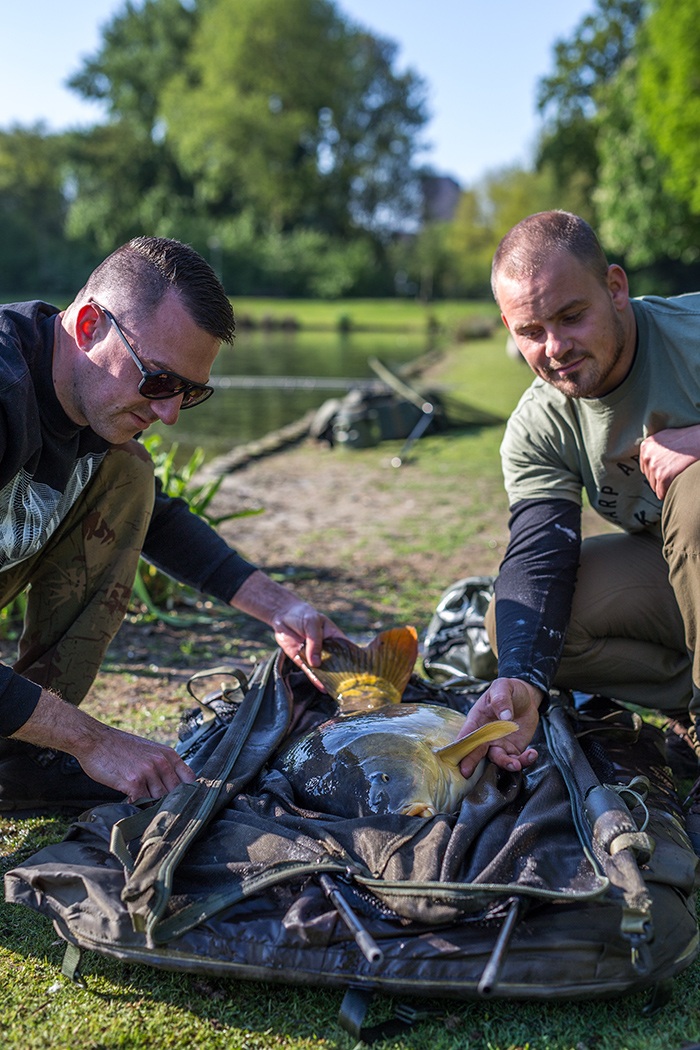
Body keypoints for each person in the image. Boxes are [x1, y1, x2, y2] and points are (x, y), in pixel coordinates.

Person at [0, 235, 344, 813]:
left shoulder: (92, 402)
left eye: (190, 391)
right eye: (158, 380)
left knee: (129, 475)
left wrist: (282, 608)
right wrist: (94, 739)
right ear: (89, 327)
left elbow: (153, 517)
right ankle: (49, 736)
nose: (169, 413)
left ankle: (18, 751)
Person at [456, 210, 700, 826]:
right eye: (531, 331)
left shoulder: (692, 334)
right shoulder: (538, 424)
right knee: (517, 629)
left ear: (615, 288)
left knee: (695, 493)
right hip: (682, 577)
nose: (555, 348)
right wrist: (520, 682)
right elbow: (540, 554)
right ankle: (693, 705)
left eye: (571, 317)